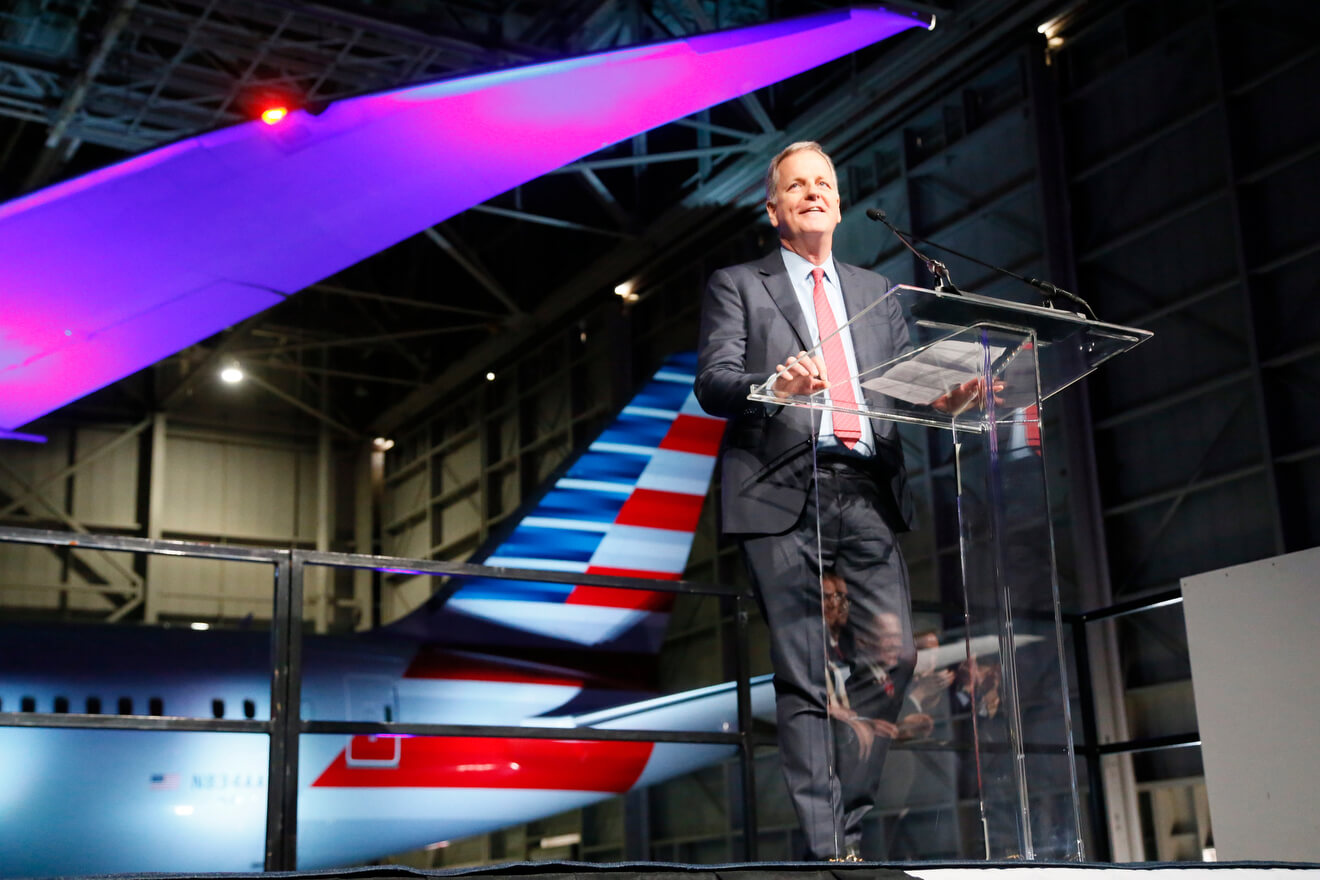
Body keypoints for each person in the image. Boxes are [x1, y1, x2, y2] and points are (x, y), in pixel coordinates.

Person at [694, 141, 919, 860]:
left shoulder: (881, 293)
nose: (813, 192)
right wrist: (774, 388)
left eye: (825, 182)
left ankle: (845, 822)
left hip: (865, 491)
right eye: (798, 185)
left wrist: (946, 398)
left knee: (896, 657)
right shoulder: (739, 283)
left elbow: (906, 389)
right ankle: (832, 851)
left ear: (841, 204)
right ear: (775, 208)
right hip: (779, 488)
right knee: (802, 672)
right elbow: (714, 383)